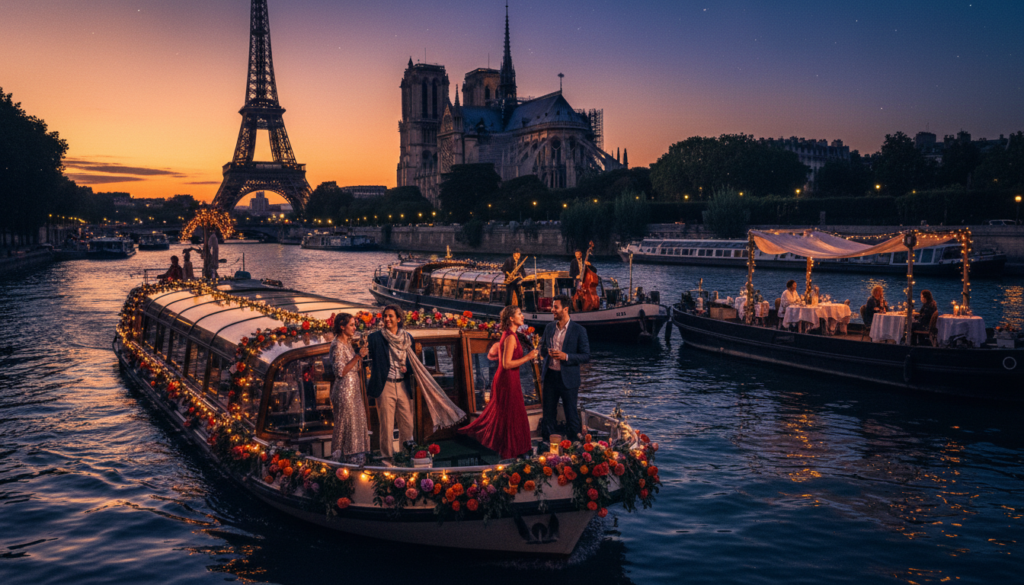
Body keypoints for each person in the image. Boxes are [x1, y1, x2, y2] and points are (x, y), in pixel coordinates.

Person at [459, 305, 538, 460]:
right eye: (519, 314)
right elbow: (507, 364)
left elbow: (499, 358)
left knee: (514, 414)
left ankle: (517, 449)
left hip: (510, 378)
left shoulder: (511, 335)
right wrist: (528, 357)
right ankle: (512, 450)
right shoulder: (510, 337)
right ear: (511, 318)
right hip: (507, 380)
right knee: (512, 414)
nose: (522, 316)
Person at [366, 305, 415, 463]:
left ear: (398, 319)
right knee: (386, 425)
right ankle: (387, 460)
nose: (386, 319)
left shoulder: (408, 338)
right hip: (385, 385)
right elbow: (368, 359)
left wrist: (407, 368)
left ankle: (405, 457)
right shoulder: (374, 338)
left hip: (403, 385)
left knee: (407, 424)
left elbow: (413, 361)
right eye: (385, 316)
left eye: (390, 316)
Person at [539, 294, 591, 443]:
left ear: (566, 309)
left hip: (568, 379)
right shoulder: (549, 327)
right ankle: (547, 444)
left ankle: (574, 444)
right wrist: (546, 352)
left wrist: (566, 356)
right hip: (550, 377)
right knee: (548, 414)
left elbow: (586, 356)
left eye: (555, 307)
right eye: (552, 307)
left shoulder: (579, 330)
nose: (552, 310)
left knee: (571, 414)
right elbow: (542, 348)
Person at [330, 313, 371, 464]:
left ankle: (357, 461)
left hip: (353, 390)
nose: (355, 328)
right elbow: (340, 371)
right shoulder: (337, 345)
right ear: (342, 326)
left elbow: (355, 367)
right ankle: (345, 462)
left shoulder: (347, 343)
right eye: (352, 325)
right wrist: (358, 356)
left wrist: (360, 356)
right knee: (346, 426)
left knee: (356, 425)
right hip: (344, 392)